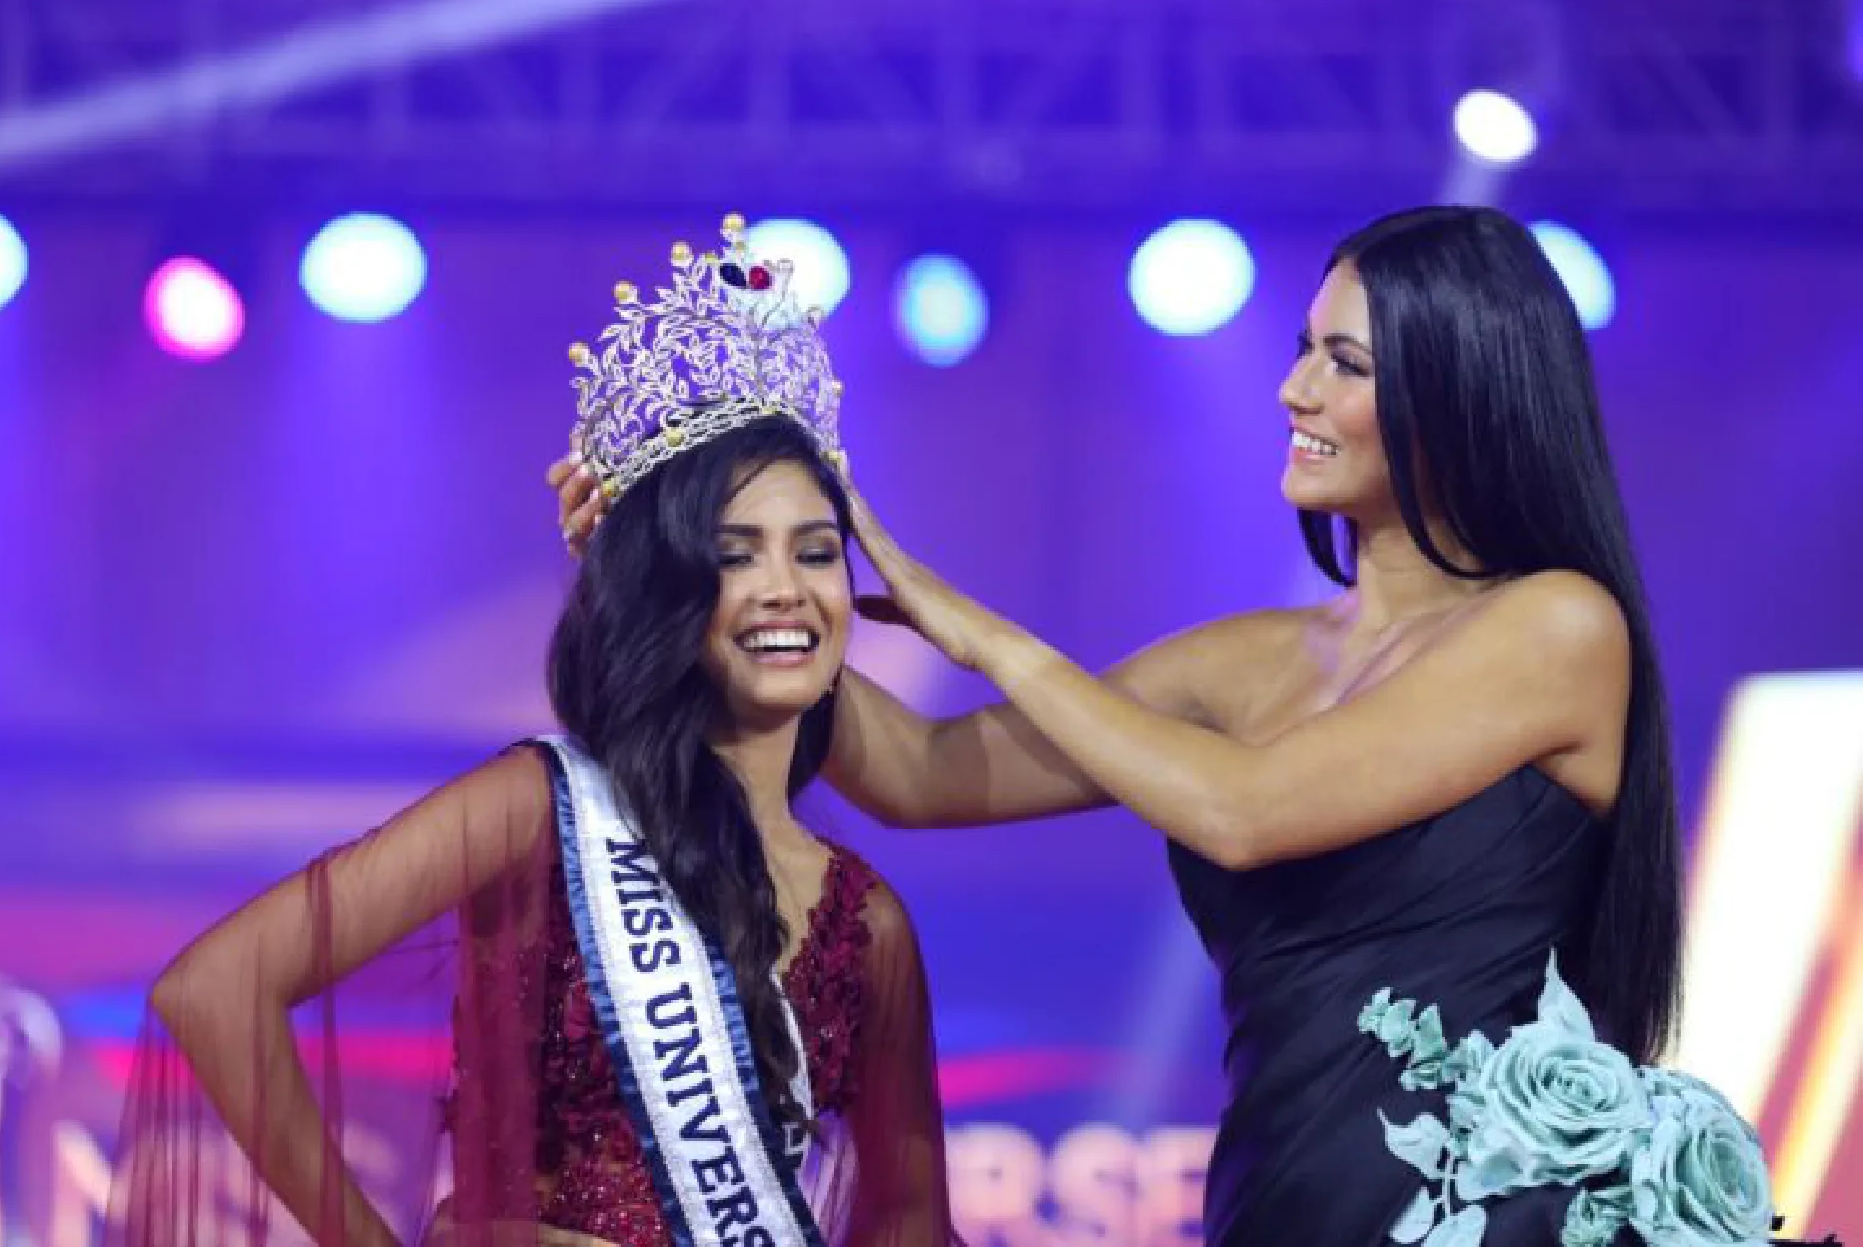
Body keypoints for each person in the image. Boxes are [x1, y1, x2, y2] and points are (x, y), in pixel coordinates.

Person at [553, 206, 1793, 1246]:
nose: (1291, 386)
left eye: (1344, 364)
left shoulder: (1557, 629)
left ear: (1456, 391)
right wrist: (687, 585)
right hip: (1279, 1197)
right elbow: (925, 774)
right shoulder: (1247, 663)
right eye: (1305, 349)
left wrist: (977, 631)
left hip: (1490, 1217)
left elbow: (1241, 813)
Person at [111, 216, 959, 1247]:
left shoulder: (867, 925)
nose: (784, 588)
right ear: (671, 588)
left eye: (815, 553)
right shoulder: (542, 810)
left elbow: (908, 1226)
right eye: (736, 554)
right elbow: (217, 987)